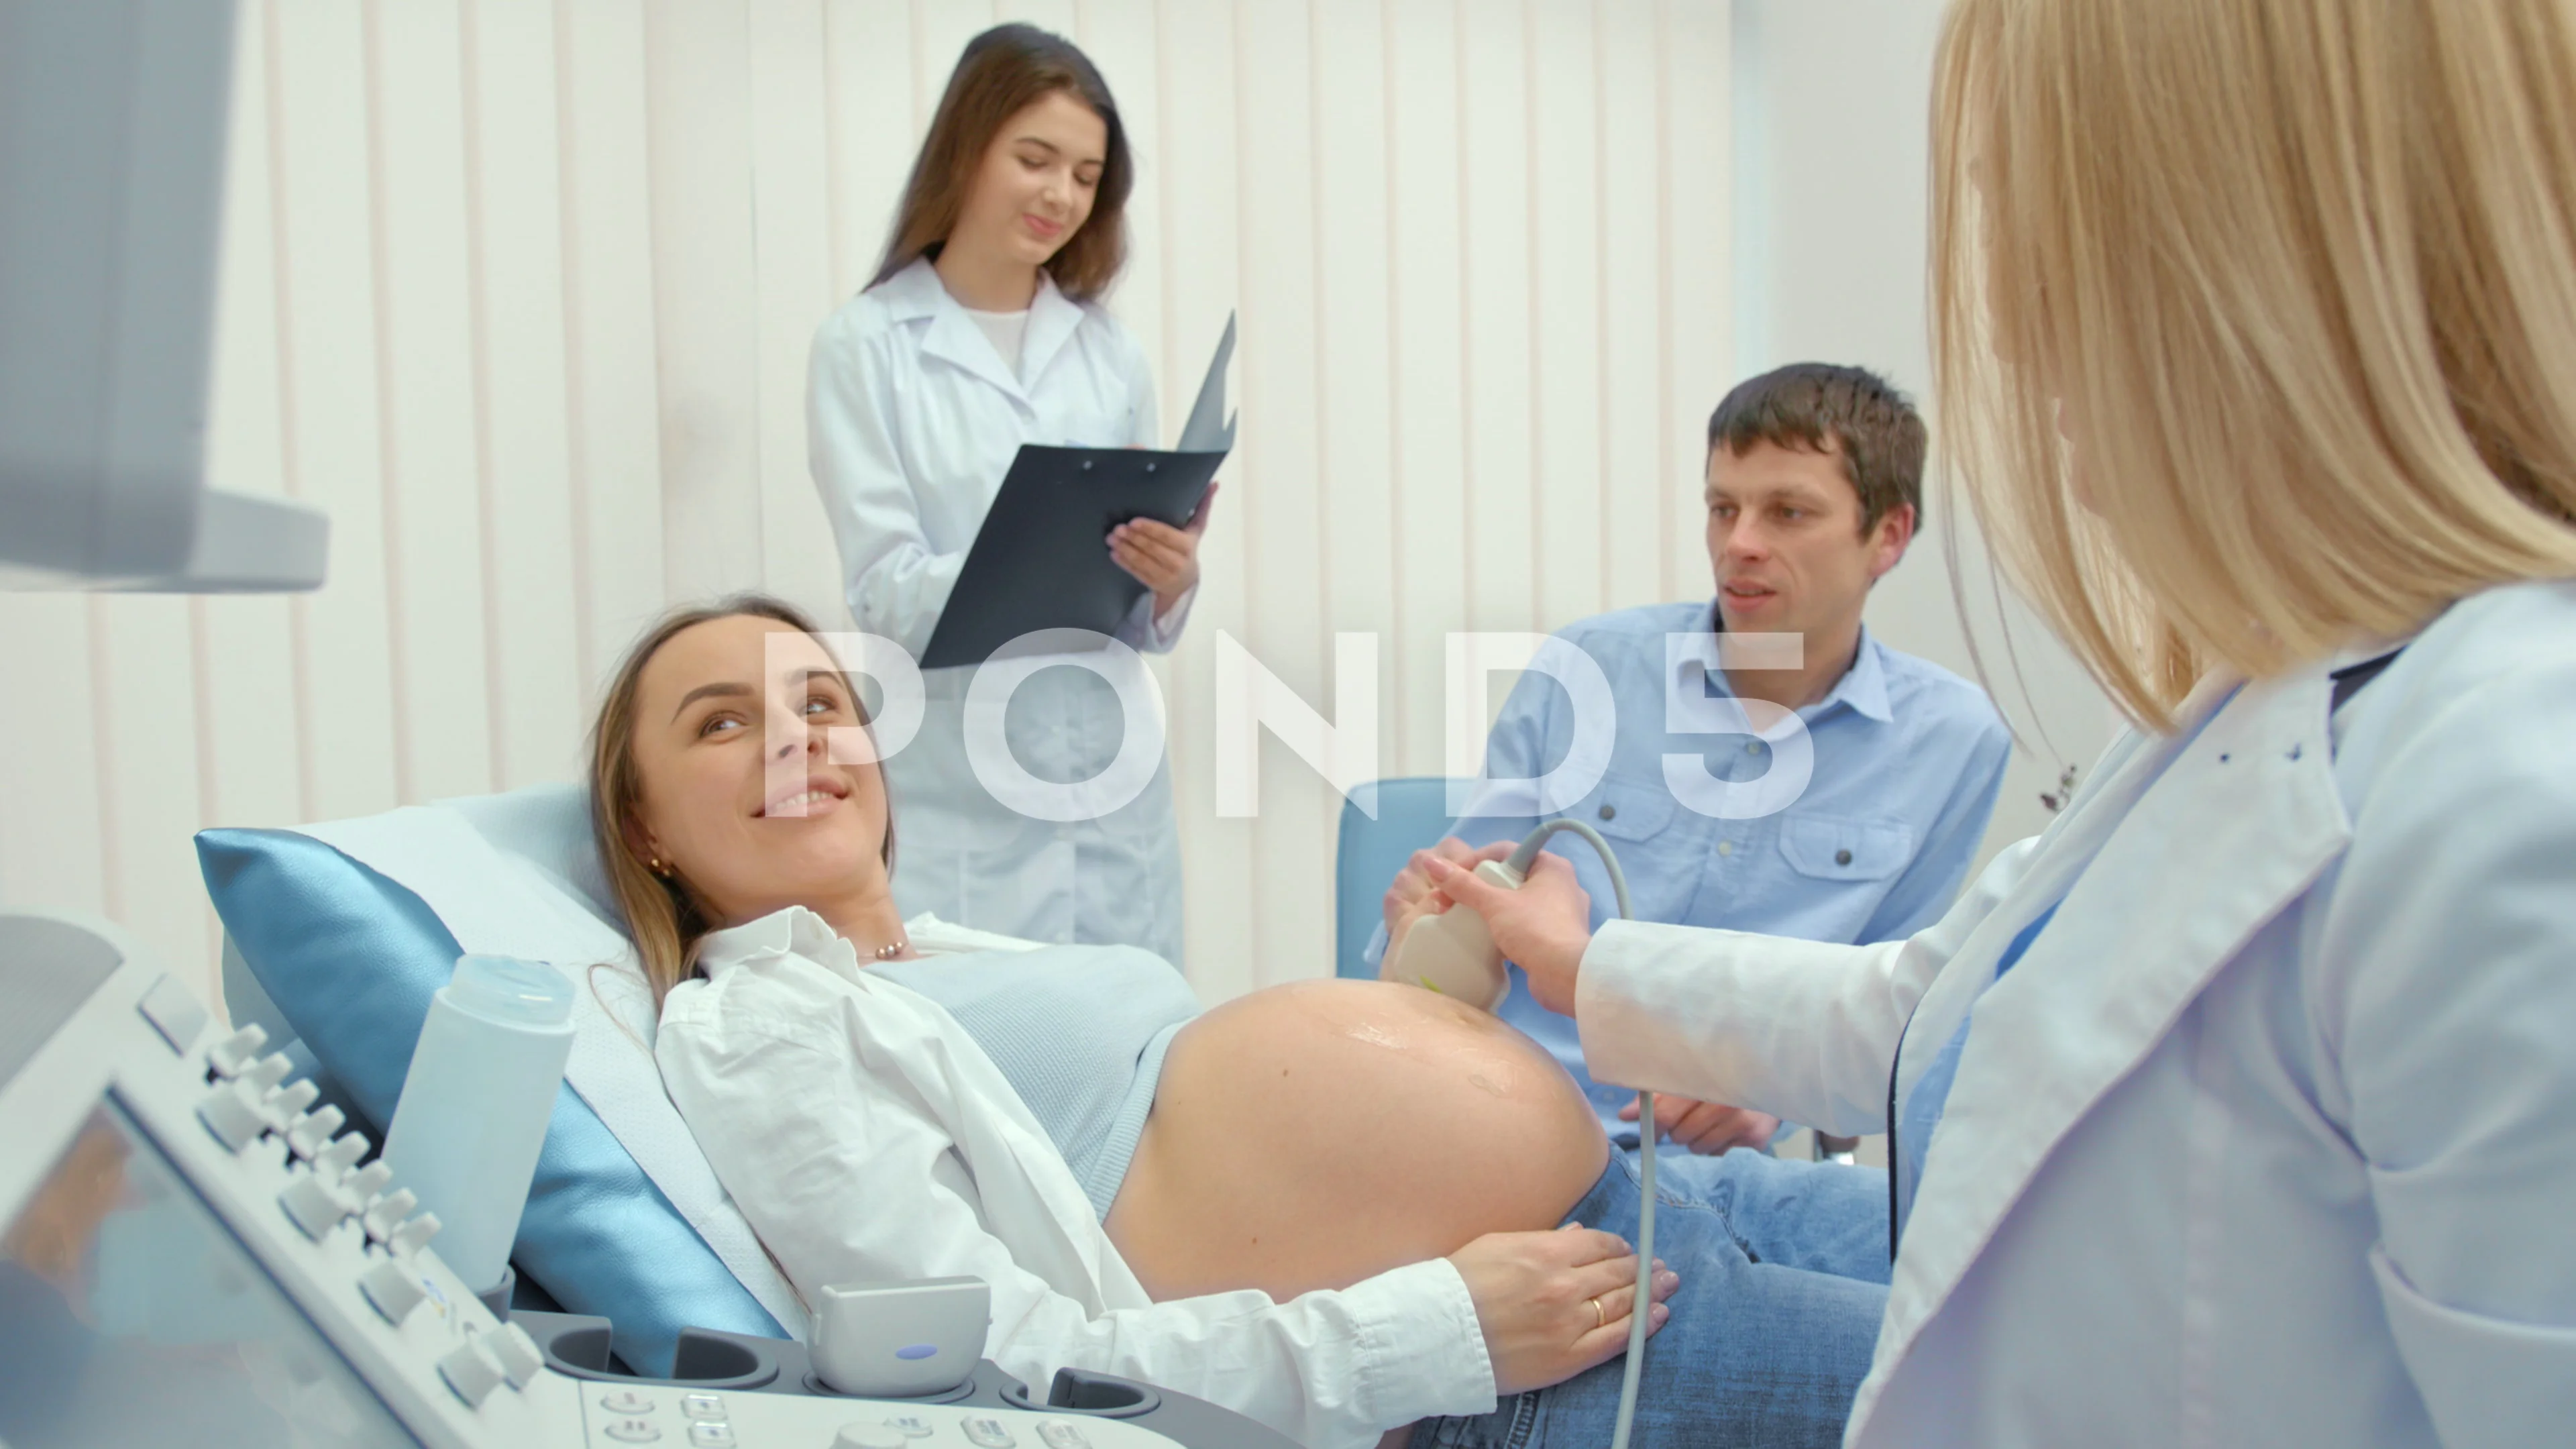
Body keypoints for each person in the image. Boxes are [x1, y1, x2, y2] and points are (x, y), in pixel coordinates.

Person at [1427, 0, 2576, 1442]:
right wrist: (1578, 962)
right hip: (1576, 1148)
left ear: (2264, 266)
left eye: (2048, 247)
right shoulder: (2243, 698)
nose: (2021, 338)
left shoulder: (2509, 794)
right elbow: (1924, 1009)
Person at [602, 596, 1892, 1449]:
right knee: (2013, 1393)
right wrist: (1436, 1337)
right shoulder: (761, 1028)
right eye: (724, 723)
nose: (797, 739)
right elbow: (994, 1372)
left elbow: (1215, 1124)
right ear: (646, 823)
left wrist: (1429, 999)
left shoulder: (944, 956)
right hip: (1545, 1353)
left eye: (822, 704)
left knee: (2004, 1240)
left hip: (1667, 1198)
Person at [1379, 364, 2010, 1154]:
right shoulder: (1587, 670)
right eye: (1723, 509)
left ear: (1888, 535)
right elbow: (1453, 931)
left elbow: (1897, 1017)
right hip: (1509, 1121)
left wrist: (1778, 1094)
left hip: (1720, 1169)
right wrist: (1420, 925)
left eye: (1788, 512)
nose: (1740, 544)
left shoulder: (1954, 741)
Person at [807, 23, 1207, 963]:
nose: (1061, 194)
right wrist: (1028, 551)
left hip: (1110, 780)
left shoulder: (1109, 354)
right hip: (960, 787)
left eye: (1085, 175)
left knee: (1137, 1034)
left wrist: (1169, 576)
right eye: (1035, 160)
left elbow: (1134, 618)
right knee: (976, 1034)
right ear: (967, 150)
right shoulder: (866, 347)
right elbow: (882, 592)